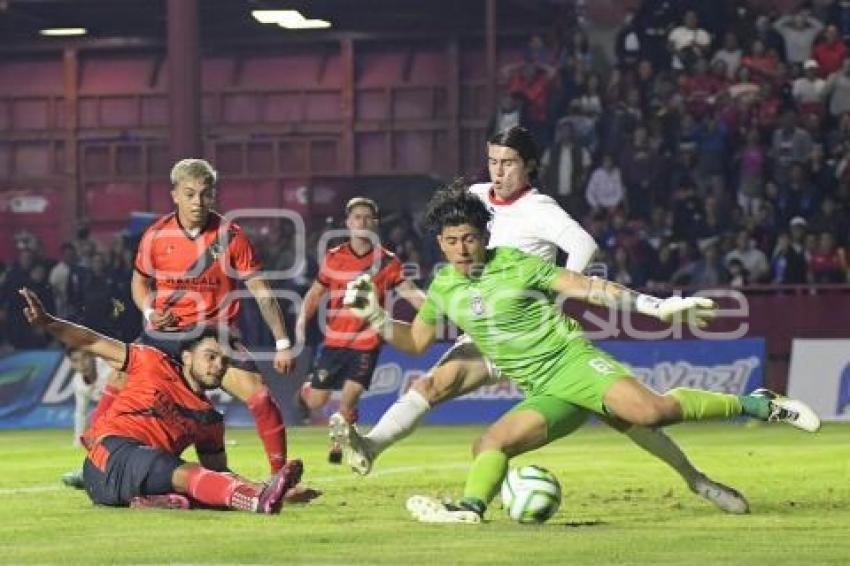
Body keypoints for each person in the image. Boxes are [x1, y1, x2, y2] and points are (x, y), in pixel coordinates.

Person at [343, 184, 820, 523]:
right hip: (543, 391)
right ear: (440, 245)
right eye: (451, 242)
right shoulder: (444, 285)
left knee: (650, 412)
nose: (462, 249)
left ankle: (759, 403)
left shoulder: (515, 264)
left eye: (469, 238)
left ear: (484, 236)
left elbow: (589, 287)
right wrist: (380, 320)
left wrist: (658, 307)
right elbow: (417, 344)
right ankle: (470, 510)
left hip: (572, 362)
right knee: (488, 445)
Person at [19, 287, 304, 513]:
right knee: (182, 471)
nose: (218, 365)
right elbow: (91, 341)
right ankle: (256, 503)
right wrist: (47, 322)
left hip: (146, 471)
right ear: (188, 357)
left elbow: (218, 472)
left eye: (224, 361)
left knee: (187, 478)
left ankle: (153, 499)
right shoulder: (150, 360)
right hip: (109, 455)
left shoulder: (210, 420)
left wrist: (267, 487)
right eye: (211, 357)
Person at [131, 159, 294, 475]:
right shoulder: (155, 235)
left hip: (215, 334)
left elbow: (261, 291)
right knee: (120, 377)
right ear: (174, 195)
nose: (198, 202)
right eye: (190, 194)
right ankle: (96, 457)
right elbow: (139, 282)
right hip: (168, 332)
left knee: (260, 398)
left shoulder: (230, 236)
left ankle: (280, 477)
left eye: (205, 194)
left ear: (214, 196)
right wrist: (150, 311)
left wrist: (283, 341)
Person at [295, 197, 424, 462]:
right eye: (357, 218)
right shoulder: (334, 258)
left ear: (375, 224)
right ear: (348, 223)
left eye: (367, 218)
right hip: (335, 342)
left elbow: (409, 292)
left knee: (351, 396)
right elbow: (315, 293)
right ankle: (307, 390)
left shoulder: (387, 262)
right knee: (316, 402)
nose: (362, 222)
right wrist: (300, 323)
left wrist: (434, 307)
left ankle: (338, 443)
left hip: (367, 342)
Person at [60, 347, 126, 489]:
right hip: (114, 412)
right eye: (76, 361)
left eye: (84, 358)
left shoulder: (108, 368)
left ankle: (92, 472)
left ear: (93, 357)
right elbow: (80, 413)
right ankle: (94, 470)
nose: (82, 364)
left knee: (98, 423)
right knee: (96, 429)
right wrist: (77, 439)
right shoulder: (78, 383)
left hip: (132, 403)